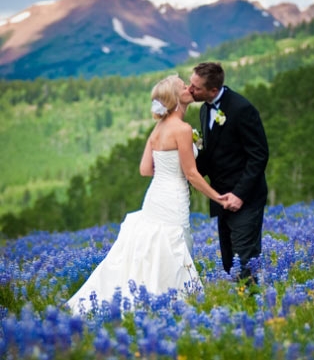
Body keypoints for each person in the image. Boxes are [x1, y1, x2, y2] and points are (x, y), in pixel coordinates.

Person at [67, 75, 227, 314]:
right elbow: (192, 174)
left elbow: (145, 169)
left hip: (155, 196)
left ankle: (145, 298)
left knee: (152, 246)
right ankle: (171, 302)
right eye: (183, 86)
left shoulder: (158, 128)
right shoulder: (182, 129)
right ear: (176, 98)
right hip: (173, 197)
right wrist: (218, 198)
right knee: (171, 244)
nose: (188, 88)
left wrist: (167, 170)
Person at [189, 62, 269, 284]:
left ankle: (252, 310)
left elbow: (259, 155)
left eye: (195, 87)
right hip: (220, 197)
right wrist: (186, 172)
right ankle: (242, 308)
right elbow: (212, 154)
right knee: (229, 262)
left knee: (245, 261)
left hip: (246, 198)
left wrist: (240, 194)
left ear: (213, 90)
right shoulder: (205, 109)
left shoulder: (242, 109)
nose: (190, 90)